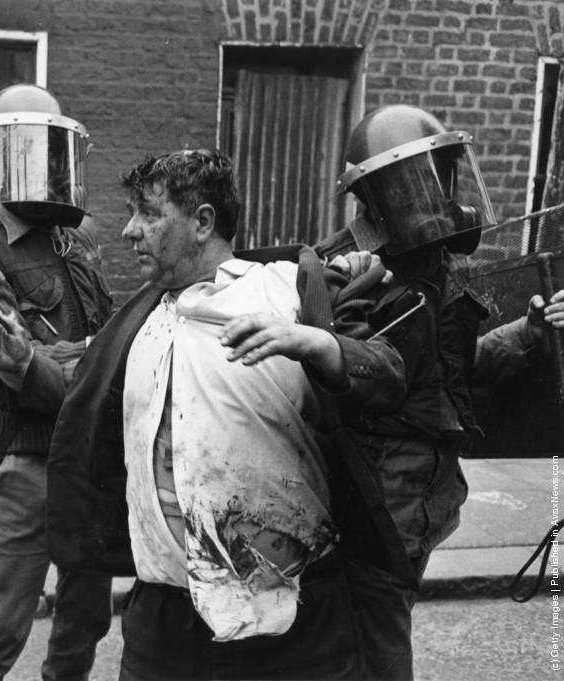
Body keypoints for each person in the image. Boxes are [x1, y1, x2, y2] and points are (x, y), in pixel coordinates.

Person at [0, 149, 397, 680]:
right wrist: (23, 364)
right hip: (164, 618)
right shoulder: (136, 322)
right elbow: (81, 390)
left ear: (202, 222)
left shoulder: (290, 290)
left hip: (291, 610)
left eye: (148, 213)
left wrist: (318, 343)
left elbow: (386, 376)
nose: (128, 231)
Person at [223, 104, 564, 681]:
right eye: (415, 185)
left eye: (440, 179)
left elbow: (457, 367)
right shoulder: (350, 275)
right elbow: (374, 376)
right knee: (375, 651)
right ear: (375, 197)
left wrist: (529, 332)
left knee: (373, 639)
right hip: (380, 506)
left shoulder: (428, 265)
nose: (435, 200)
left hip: (422, 505)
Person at [0, 83, 114, 681]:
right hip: (25, 465)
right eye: (26, 148)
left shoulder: (76, 238)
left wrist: (46, 357)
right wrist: (77, 362)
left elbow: (113, 348)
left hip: (88, 461)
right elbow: (19, 381)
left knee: (85, 621)